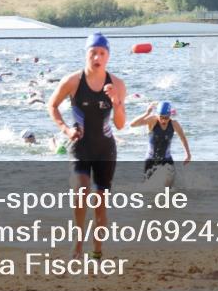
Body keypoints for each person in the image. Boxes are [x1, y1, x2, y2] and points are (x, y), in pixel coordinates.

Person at [47, 32, 126, 259]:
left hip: (105, 150)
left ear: (108, 56)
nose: (97, 58)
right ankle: (78, 242)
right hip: (80, 146)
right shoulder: (73, 81)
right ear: (86, 54)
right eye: (93, 53)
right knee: (80, 191)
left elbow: (120, 125)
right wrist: (66, 129)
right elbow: (52, 106)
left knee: (100, 203)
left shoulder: (117, 84)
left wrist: (116, 103)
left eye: (102, 53)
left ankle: (98, 250)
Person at [130, 101, 191, 179]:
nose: (164, 120)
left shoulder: (174, 124)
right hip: (151, 159)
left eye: (166, 117)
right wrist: (146, 113)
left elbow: (183, 138)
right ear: (157, 115)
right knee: (148, 188)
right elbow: (132, 124)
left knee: (170, 188)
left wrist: (188, 154)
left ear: (170, 115)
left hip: (167, 159)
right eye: (161, 117)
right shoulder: (153, 120)